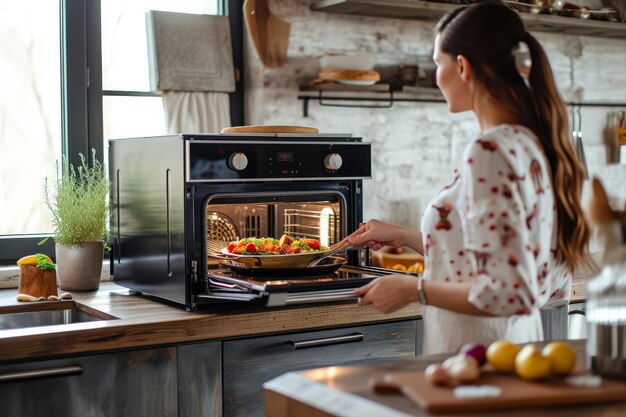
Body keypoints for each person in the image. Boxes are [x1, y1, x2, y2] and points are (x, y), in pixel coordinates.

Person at [346, 1, 590, 354]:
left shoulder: (489, 151)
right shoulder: (528, 142)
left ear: (462, 66)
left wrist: (413, 289)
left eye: (436, 63)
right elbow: (503, 262)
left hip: (481, 357)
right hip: (510, 351)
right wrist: (401, 234)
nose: (436, 75)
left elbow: (509, 290)